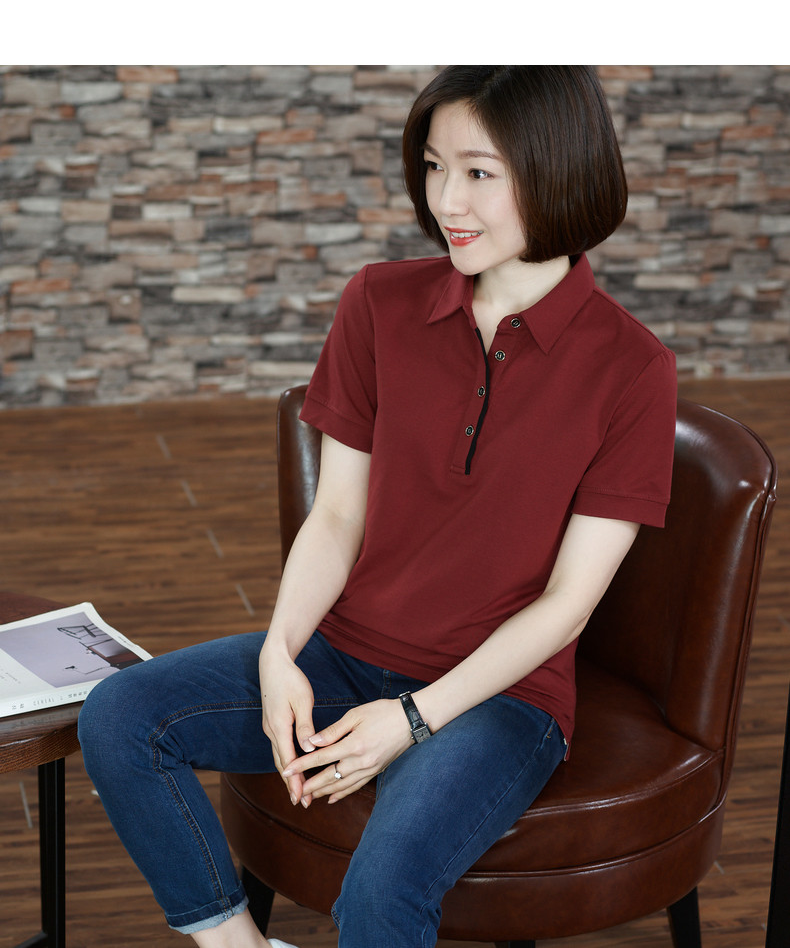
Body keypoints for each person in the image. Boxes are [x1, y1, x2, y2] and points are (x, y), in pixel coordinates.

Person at [78, 65, 676, 948]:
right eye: (434, 166)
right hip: (346, 654)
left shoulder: (633, 367)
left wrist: (415, 718)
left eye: (478, 172)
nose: (446, 200)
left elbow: (568, 604)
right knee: (120, 716)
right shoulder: (379, 303)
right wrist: (281, 651)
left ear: (558, 171)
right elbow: (337, 517)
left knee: (383, 890)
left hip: (500, 698)